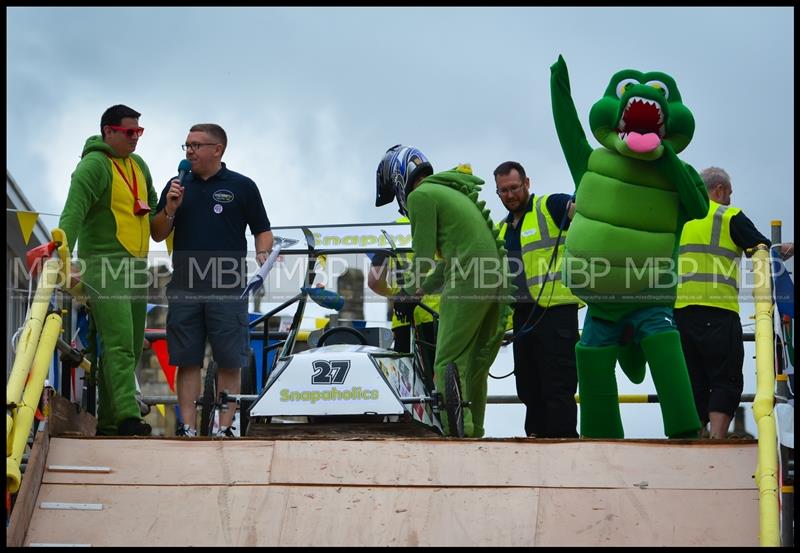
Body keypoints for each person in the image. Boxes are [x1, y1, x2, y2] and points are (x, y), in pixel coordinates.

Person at [375, 144, 513, 437]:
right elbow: (445, 265)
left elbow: (423, 256)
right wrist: (418, 292)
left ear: (399, 178)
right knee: (475, 360)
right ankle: (473, 429)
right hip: (493, 276)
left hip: (468, 277)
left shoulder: (421, 197)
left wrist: (408, 292)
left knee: (447, 359)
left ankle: (454, 431)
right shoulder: (447, 192)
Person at [151, 123, 272, 438]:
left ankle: (225, 426)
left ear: (217, 149)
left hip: (228, 287)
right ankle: (187, 426)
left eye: (196, 145)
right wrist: (170, 208)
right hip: (184, 287)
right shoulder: (176, 184)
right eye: (187, 145)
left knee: (230, 360)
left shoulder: (243, 186)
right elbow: (158, 231)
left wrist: (263, 253)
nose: (189, 151)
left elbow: (262, 228)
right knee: (187, 360)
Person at [58, 104, 156, 436]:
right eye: (129, 132)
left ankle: (112, 422)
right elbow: (72, 213)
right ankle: (129, 416)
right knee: (118, 344)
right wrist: (63, 258)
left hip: (137, 267)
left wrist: (171, 210)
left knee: (127, 344)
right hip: (104, 264)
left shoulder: (139, 165)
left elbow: (154, 216)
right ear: (108, 132)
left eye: (139, 133)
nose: (135, 139)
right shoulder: (93, 165)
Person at [675, 167, 778, 438]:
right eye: (728, 193)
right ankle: (717, 439)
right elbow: (762, 251)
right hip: (719, 311)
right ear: (718, 190)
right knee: (725, 376)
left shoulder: (680, 215)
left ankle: (696, 435)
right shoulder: (727, 215)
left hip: (680, 313)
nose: (730, 200)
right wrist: (784, 249)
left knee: (692, 378)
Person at [494, 161, 583, 438]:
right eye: (503, 191)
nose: (510, 195)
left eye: (514, 188)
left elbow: (581, 210)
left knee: (558, 387)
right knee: (528, 388)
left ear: (527, 183)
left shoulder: (550, 206)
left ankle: (564, 444)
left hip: (556, 313)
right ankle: (534, 443)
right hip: (522, 318)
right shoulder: (500, 230)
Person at [367, 216, 439, 388]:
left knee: (408, 387)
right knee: (443, 387)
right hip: (441, 315)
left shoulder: (390, 230)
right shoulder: (442, 221)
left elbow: (374, 281)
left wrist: (397, 296)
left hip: (404, 318)